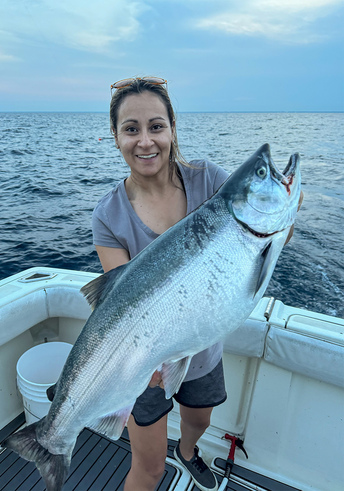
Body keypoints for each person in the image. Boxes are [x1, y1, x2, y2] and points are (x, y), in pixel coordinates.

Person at [92, 76, 300, 491]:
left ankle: (187, 452)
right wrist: (141, 363)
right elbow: (112, 300)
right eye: (131, 129)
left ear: (172, 128)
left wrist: (284, 210)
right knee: (148, 470)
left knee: (200, 418)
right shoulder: (108, 216)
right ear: (115, 137)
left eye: (156, 126)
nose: (145, 141)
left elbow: (268, 240)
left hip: (203, 344)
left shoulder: (208, 179)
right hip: (140, 360)